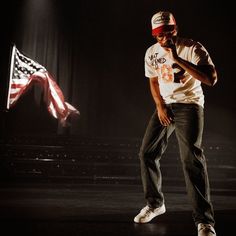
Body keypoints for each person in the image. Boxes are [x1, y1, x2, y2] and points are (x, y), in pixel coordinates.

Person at [134, 11, 217, 236]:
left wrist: (177, 58)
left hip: (189, 104)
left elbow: (211, 79)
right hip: (166, 105)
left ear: (175, 28)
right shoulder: (151, 52)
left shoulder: (193, 47)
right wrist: (160, 106)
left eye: (168, 31)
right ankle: (155, 204)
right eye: (160, 34)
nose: (165, 37)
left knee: (191, 158)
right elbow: (153, 81)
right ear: (154, 35)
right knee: (147, 153)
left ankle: (204, 221)